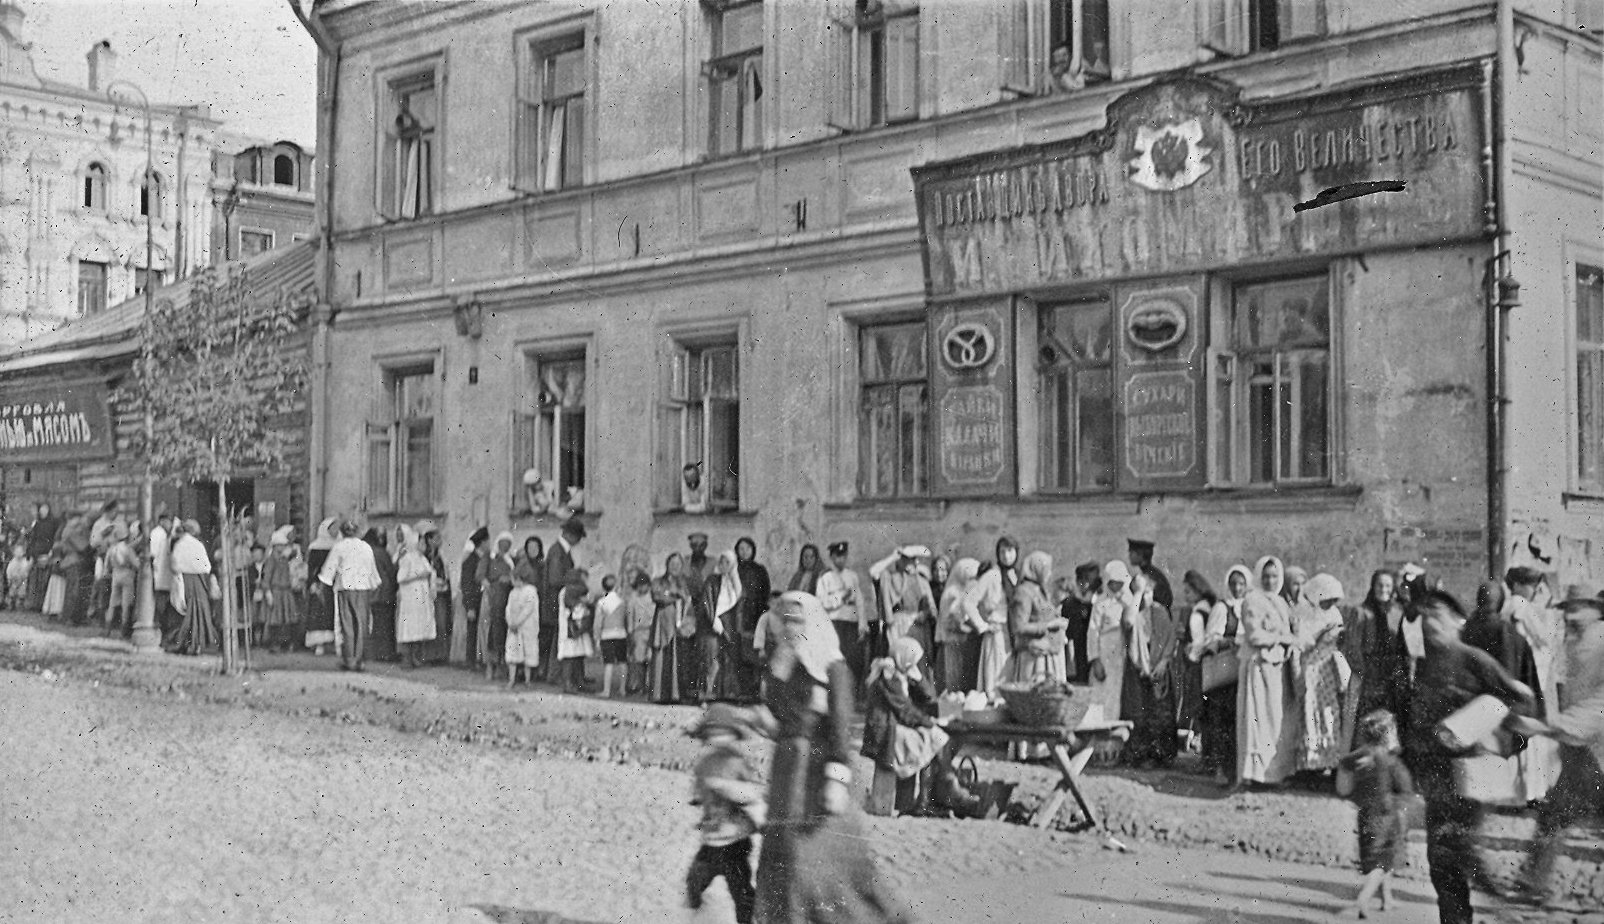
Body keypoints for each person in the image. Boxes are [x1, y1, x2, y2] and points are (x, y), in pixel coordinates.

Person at [750, 591, 915, 924]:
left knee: (819, 857)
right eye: (784, 620)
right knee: (782, 852)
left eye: (797, 620)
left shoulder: (832, 667)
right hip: (787, 771)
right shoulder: (785, 662)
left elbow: (840, 727)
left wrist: (837, 780)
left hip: (817, 772)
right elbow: (776, 713)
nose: (789, 627)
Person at [1403, 589, 1534, 924]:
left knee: (1455, 851)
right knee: (1440, 862)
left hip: (1470, 771)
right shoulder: (1423, 663)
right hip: (1436, 776)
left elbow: (1521, 700)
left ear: (1458, 621)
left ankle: (1504, 909)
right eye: (1426, 616)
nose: (1431, 622)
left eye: (1438, 615)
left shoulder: (1474, 659)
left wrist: (1484, 725)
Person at [1512, 586, 1604, 907]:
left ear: (1596, 608)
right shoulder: (1576, 640)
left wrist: (1557, 726)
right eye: (1569, 607)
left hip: (1596, 746)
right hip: (1582, 748)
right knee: (1553, 816)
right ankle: (1532, 885)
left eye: (1581, 607)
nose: (1572, 613)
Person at [861, 636, 982, 817]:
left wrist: (918, 679)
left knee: (934, 738)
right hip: (886, 732)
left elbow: (929, 699)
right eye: (912, 662)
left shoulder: (901, 674)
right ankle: (945, 787)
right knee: (935, 737)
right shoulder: (888, 677)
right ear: (904, 658)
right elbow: (905, 711)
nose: (913, 666)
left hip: (896, 727)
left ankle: (929, 798)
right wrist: (930, 722)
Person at [685, 703, 766, 924]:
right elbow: (699, 791)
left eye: (724, 733)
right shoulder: (705, 763)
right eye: (714, 733)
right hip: (712, 839)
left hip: (735, 840)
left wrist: (733, 792)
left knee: (740, 891)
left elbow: (750, 794)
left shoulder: (737, 762)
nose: (719, 738)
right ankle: (698, 912)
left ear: (733, 735)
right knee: (694, 880)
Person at [1337, 710, 1415, 919]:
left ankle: (1386, 899)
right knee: (1383, 861)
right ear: (1389, 735)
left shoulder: (1362, 755)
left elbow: (1344, 763)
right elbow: (1405, 788)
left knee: (1378, 856)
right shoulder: (1391, 761)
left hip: (1365, 813)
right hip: (1387, 816)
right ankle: (1363, 898)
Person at [1503, 566, 1564, 799]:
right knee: (1532, 734)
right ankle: (1531, 792)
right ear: (1517, 585)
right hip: (1530, 673)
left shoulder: (1509, 606)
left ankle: (1520, 790)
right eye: (1528, 585)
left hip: (1516, 673)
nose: (1532, 590)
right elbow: (1543, 637)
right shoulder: (1521, 606)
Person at [1238, 555, 1299, 788]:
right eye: (1266, 576)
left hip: (1277, 668)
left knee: (1276, 721)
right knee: (1259, 720)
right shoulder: (1252, 600)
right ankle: (1256, 775)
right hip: (1259, 666)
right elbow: (1255, 635)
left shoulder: (1281, 602)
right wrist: (1282, 638)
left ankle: (1274, 773)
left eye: (1274, 576)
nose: (1271, 581)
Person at [1198, 565, 1250, 784]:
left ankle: (1237, 770)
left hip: (1243, 672)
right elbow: (1210, 639)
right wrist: (1228, 641)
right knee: (1222, 722)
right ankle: (1221, 768)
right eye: (1233, 583)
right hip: (1225, 673)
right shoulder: (1222, 608)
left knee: (1240, 722)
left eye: (1241, 584)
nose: (1237, 588)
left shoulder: (1250, 606)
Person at [1295, 574, 1352, 774]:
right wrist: (1321, 634)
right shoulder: (1303, 613)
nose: (1331, 603)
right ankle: (1309, 764)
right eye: (1327, 599)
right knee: (1310, 710)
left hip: (1327, 668)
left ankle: (1327, 762)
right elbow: (1302, 644)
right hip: (1311, 667)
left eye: (1334, 600)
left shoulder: (1335, 613)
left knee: (1329, 711)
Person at [1122, 572, 1179, 768]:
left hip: (1159, 666)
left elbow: (1170, 639)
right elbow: (1128, 623)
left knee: (1161, 711)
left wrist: (1163, 662)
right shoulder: (1133, 612)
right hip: (1139, 666)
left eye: (1148, 592)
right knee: (1140, 711)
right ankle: (1143, 755)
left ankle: (1162, 755)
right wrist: (1137, 595)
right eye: (1141, 593)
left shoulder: (1160, 611)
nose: (1145, 597)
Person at [318, 518, 382, 672]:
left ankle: (350, 659)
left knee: (347, 624)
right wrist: (374, 586)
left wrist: (323, 584)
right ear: (357, 532)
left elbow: (329, 570)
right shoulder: (366, 547)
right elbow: (373, 571)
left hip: (345, 588)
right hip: (363, 588)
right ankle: (359, 660)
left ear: (343, 532)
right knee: (362, 624)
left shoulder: (339, 547)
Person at [1344, 570, 1403, 723]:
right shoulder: (1361, 612)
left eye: (1388, 586)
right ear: (1373, 587)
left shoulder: (1397, 613)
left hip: (1391, 673)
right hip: (1368, 673)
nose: (1384, 589)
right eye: (1380, 585)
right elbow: (1352, 646)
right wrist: (1364, 672)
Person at [872, 546, 937, 670]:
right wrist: (892, 557)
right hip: (898, 626)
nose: (914, 563)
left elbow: (931, 606)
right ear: (901, 561)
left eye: (915, 559)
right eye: (909, 559)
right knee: (899, 662)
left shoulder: (922, 581)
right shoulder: (890, 579)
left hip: (918, 627)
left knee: (919, 662)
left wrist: (926, 613)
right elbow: (874, 572)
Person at [817, 541, 869, 691]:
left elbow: (859, 601)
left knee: (853, 658)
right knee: (836, 657)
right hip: (835, 622)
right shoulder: (825, 577)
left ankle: (852, 692)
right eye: (837, 556)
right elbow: (821, 602)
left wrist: (862, 624)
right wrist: (840, 598)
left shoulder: (852, 576)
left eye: (843, 556)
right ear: (832, 557)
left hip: (851, 621)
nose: (841, 560)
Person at [1086, 561, 1136, 721]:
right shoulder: (1101, 603)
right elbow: (1093, 632)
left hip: (1122, 654)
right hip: (1104, 652)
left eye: (1119, 583)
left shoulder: (1130, 601)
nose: (1115, 586)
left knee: (1118, 696)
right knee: (1100, 695)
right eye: (1112, 582)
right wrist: (1095, 660)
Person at [1175, 570, 1218, 748]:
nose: (1185, 596)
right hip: (1209, 664)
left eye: (1188, 592)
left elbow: (1199, 643)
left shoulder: (1197, 614)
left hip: (1197, 665)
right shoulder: (1209, 607)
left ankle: (1199, 742)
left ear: (1198, 590)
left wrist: (1189, 653)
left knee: (1196, 704)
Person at [167, 520, 218, 656]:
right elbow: (206, 566)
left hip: (183, 579)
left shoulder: (178, 545)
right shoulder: (197, 545)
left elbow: (175, 565)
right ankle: (198, 642)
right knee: (200, 610)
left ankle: (184, 642)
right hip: (198, 580)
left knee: (185, 610)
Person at [544, 518, 586, 681]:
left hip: (560, 601)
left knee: (561, 639)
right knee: (561, 639)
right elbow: (555, 579)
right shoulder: (558, 551)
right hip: (558, 602)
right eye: (578, 537)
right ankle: (557, 675)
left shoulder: (561, 550)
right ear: (570, 535)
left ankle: (563, 675)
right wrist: (574, 578)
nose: (578, 541)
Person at [651, 552, 693, 704]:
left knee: (677, 657)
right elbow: (657, 596)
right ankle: (659, 695)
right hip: (662, 624)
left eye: (678, 564)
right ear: (667, 565)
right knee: (661, 656)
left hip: (678, 624)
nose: (675, 567)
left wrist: (674, 594)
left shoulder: (684, 583)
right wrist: (675, 594)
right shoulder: (658, 581)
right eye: (672, 564)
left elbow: (688, 599)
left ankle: (675, 695)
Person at [393, 525, 437, 669]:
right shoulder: (407, 558)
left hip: (421, 598)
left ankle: (417, 657)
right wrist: (419, 576)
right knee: (410, 627)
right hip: (411, 597)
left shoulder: (421, 558)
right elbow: (401, 578)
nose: (422, 545)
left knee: (420, 626)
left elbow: (430, 572)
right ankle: (408, 658)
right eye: (420, 542)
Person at [733, 537, 772, 702]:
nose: (744, 552)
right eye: (741, 549)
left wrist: (761, 613)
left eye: (747, 548)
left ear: (753, 550)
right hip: (738, 615)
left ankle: (755, 690)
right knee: (738, 652)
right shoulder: (734, 569)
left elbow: (765, 593)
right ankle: (741, 689)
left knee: (753, 652)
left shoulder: (760, 570)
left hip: (754, 614)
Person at [967, 558, 1012, 697]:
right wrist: (983, 626)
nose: (1007, 556)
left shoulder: (1013, 575)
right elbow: (968, 602)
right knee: (996, 674)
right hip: (996, 632)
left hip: (1011, 633)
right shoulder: (991, 576)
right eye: (1003, 552)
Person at [938, 558, 983, 694]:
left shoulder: (967, 590)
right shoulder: (952, 592)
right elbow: (949, 619)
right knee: (955, 676)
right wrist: (965, 626)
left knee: (967, 677)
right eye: (969, 577)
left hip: (966, 640)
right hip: (954, 640)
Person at [705, 550, 743, 703]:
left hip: (730, 624)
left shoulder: (736, 584)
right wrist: (714, 621)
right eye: (722, 562)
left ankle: (727, 694)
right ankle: (708, 694)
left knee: (729, 658)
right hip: (713, 623)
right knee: (712, 657)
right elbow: (707, 601)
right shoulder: (712, 580)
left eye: (728, 562)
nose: (724, 565)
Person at [479, 532, 516, 682]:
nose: (505, 546)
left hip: (508, 596)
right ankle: (490, 665)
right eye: (502, 542)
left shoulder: (511, 560)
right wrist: (488, 585)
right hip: (494, 596)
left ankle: (502, 664)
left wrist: (509, 579)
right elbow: (480, 575)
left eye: (508, 543)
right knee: (494, 629)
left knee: (505, 629)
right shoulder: (489, 556)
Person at [503, 560, 541, 687]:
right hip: (514, 628)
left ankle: (527, 680)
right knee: (513, 651)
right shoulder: (513, 592)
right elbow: (508, 608)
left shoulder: (531, 591)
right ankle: (512, 679)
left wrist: (517, 622)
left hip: (526, 627)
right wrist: (510, 623)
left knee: (528, 652)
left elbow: (528, 609)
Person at [304, 518, 339, 654]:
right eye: (332, 528)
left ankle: (331, 642)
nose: (335, 531)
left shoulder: (338, 545)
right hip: (319, 584)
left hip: (332, 584)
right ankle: (318, 644)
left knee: (331, 612)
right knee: (318, 613)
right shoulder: (315, 546)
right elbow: (312, 568)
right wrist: (313, 583)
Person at [1063, 562, 1101, 684]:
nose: (1084, 584)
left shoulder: (1099, 602)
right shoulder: (1070, 602)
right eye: (1081, 580)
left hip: (1094, 645)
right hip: (1076, 645)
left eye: (1088, 581)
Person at [556, 572, 594, 693]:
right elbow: (572, 606)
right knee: (569, 656)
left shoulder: (567, 591)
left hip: (573, 627)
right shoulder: (568, 592)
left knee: (577, 655)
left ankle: (579, 682)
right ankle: (568, 683)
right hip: (569, 627)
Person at [363, 527, 398, 663]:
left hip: (371, 592)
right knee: (386, 625)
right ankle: (386, 653)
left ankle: (376, 653)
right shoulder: (381, 552)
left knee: (376, 624)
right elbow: (390, 571)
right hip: (384, 592)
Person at [261, 528, 298, 652]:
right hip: (276, 591)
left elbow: (294, 552)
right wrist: (267, 592)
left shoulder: (285, 559)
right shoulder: (272, 559)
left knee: (287, 618)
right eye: (279, 545)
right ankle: (275, 643)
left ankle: (286, 643)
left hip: (286, 591)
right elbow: (266, 577)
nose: (282, 548)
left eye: (283, 545)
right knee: (275, 619)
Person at [457, 527, 488, 668]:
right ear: (482, 543)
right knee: (472, 631)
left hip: (483, 600)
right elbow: (467, 585)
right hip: (474, 600)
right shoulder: (470, 561)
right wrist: (470, 606)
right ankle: (471, 661)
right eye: (487, 541)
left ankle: (479, 659)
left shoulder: (484, 558)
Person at [594, 574, 629, 698]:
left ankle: (606, 690)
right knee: (622, 662)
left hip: (606, 635)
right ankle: (623, 689)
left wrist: (597, 638)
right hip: (621, 634)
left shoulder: (601, 602)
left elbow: (598, 623)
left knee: (608, 663)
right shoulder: (622, 601)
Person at [25, 502, 60, 611]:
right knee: (34, 580)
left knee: (43, 581)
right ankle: (33, 604)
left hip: (47, 554)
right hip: (36, 554)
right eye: (41, 509)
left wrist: (50, 552)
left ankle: (41, 604)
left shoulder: (54, 523)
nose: (42, 511)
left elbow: (56, 539)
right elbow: (33, 540)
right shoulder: (38, 524)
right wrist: (30, 554)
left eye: (45, 508)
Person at [625, 570, 656, 696]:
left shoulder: (653, 598)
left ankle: (651, 686)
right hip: (638, 632)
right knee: (639, 661)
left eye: (644, 585)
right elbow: (630, 617)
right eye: (639, 585)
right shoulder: (633, 600)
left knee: (651, 659)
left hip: (651, 631)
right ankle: (640, 685)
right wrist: (630, 633)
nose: (642, 588)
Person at [105, 525, 138, 636]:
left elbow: (107, 566)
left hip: (116, 575)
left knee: (112, 603)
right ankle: (124, 630)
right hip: (127, 575)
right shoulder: (128, 549)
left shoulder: (111, 549)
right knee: (126, 604)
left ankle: (107, 628)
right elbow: (136, 564)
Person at [1127, 538, 1173, 610]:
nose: (1129, 556)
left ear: (1140, 555)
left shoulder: (1148, 577)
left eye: (1131, 553)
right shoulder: (1153, 573)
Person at [147, 513, 173, 637]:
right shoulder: (157, 534)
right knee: (160, 602)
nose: (170, 524)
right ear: (162, 521)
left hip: (164, 573)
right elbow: (153, 554)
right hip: (159, 572)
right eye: (168, 521)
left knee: (163, 600)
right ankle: (159, 629)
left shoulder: (163, 534)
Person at [6, 543, 30, 610]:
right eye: (17, 552)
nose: (18, 553)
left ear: (23, 552)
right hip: (13, 579)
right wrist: (10, 578)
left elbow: (26, 571)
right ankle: (12, 603)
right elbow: (9, 570)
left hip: (22, 580)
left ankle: (21, 603)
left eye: (20, 552)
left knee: (22, 591)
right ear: (14, 552)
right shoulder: (12, 562)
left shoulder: (25, 562)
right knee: (12, 591)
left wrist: (23, 577)